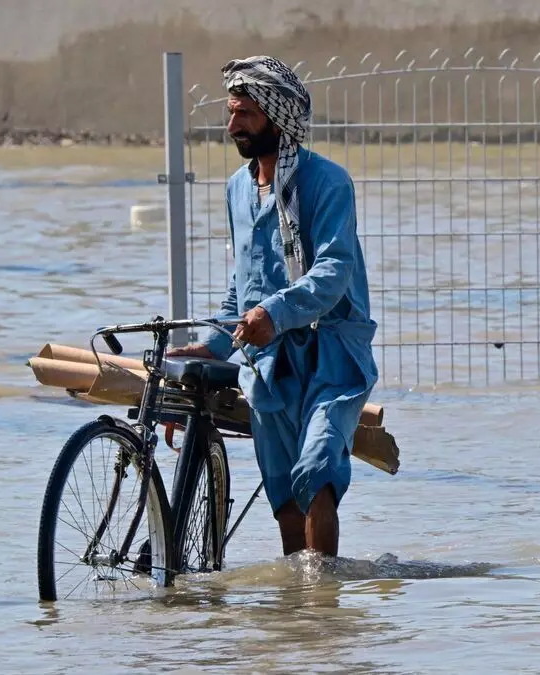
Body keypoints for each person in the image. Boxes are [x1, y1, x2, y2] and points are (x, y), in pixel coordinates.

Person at [167, 55, 378, 559]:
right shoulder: (239, 189)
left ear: (278, 118)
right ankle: (299, 615)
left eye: (245, 114)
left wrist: (274, 315)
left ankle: (322, 605)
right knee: (284, 496)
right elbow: (243, 287)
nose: (233, 125)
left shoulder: (327, 183)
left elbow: (332, 273)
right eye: (231, 113)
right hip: (267, 364)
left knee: (317, 473)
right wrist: (214, 344)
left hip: (332, 356)